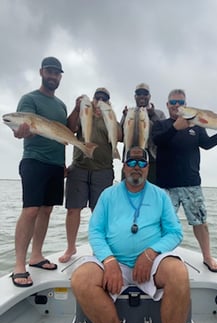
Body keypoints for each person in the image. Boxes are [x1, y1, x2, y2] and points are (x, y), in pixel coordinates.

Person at [71, 146, 190, 323]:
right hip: (114, 262)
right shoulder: (108, 195)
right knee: (81, 280)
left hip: (153, 264)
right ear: (124, 167)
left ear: (147, 167)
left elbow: (175, 232)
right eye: (132, 162)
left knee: (178, 273)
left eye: (141, 163)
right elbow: (96, 232)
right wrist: (108, 261)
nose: (137, 167)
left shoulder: (160, 195)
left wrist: (151, 253)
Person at [152, 89, 217, 272]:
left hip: (191, 182)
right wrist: (176, 127)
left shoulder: (197, 126)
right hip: (165, 185)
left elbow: (206, 145)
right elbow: (158, 141)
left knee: (200, 222)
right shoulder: (160, 125)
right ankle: (159, 256)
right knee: (161, 223)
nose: (176, 106)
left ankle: (207, 256)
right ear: (167, 105)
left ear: (186, 105)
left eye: (180, 102)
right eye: (173, 103)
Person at [10, 57, 67, 287]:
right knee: (31, 209)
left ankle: (36, 256)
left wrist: (63, 164)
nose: (53, 76)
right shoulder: (29, 99)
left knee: (46, 210)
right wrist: (21, 132)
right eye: (49, 72)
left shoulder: (61, 105)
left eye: (57, 73)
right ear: (42, 72)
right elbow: (21, 130)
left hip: (56, 164)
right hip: (34, 161)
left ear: (60, 76)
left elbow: (62, 135)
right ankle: (19, 265)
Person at [59, 88, 122, 263]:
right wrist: (77, 108)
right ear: (93, 99)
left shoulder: (110, 117)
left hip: (103, 170)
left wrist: (112, 116)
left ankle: (99, 247)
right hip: (79, 167)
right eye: (98, 97)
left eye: (105, 98)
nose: (100, 100)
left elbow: (121, 136)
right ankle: (71, 247)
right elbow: (69, 129)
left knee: (99, 211)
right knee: (73, 210)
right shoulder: (83, 113)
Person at [120, 83, 166, 184]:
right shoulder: (129, 113)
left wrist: (152, 115)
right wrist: (125, 118)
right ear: (135, 97)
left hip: (152, 160)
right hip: (130, 159)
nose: (142, 96)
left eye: (145, 94)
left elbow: (164, 132)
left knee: (151, 192)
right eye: (139, 94)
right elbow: (121, 136)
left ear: (149, 96)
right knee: (127, 190)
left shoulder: (159, 113)